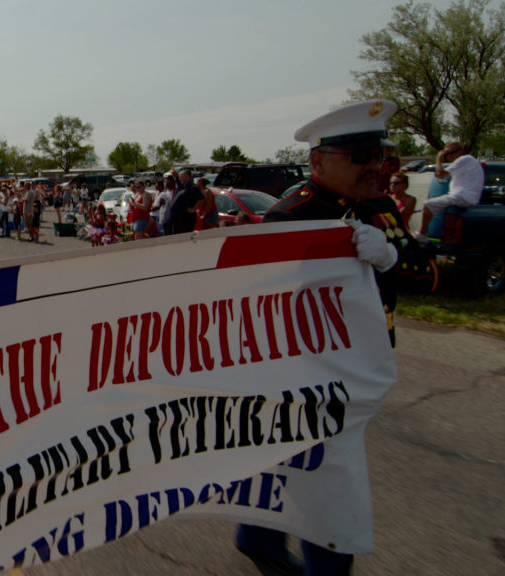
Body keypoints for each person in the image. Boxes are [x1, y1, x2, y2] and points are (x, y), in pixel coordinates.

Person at [237, 100, 408, 576]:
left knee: (308, 474)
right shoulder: (290, 218)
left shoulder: (379, 208)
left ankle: (257, 537)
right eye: (359, 156)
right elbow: (259, 308)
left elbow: (426, 272)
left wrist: (390, 259)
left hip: (362, 366)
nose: (374, 167)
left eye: (379, 156)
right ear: (317, 161)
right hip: (307, 377)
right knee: (331, 484)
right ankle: (309, 558)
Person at [417, 142, 483, 240]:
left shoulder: (463, 159)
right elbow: (449, 175)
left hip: (463, 196)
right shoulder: (470, 161)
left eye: (452, 152)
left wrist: (438, 157)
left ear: (461, 151)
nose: (449, 156)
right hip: (467, 196)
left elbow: (440, 173)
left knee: (427, 205)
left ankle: (422, 235)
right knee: (435, 206)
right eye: (446, 154)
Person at [162, 169, 203, 235]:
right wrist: (174, 173)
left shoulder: (192, 187)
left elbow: (201, 199)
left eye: (181, 176)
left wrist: (193, 209)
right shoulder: (182, 186)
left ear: (187, 177)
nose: (179, 178)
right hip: (175, 217)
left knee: (182, 235)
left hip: (185, 218)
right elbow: (177, 179)